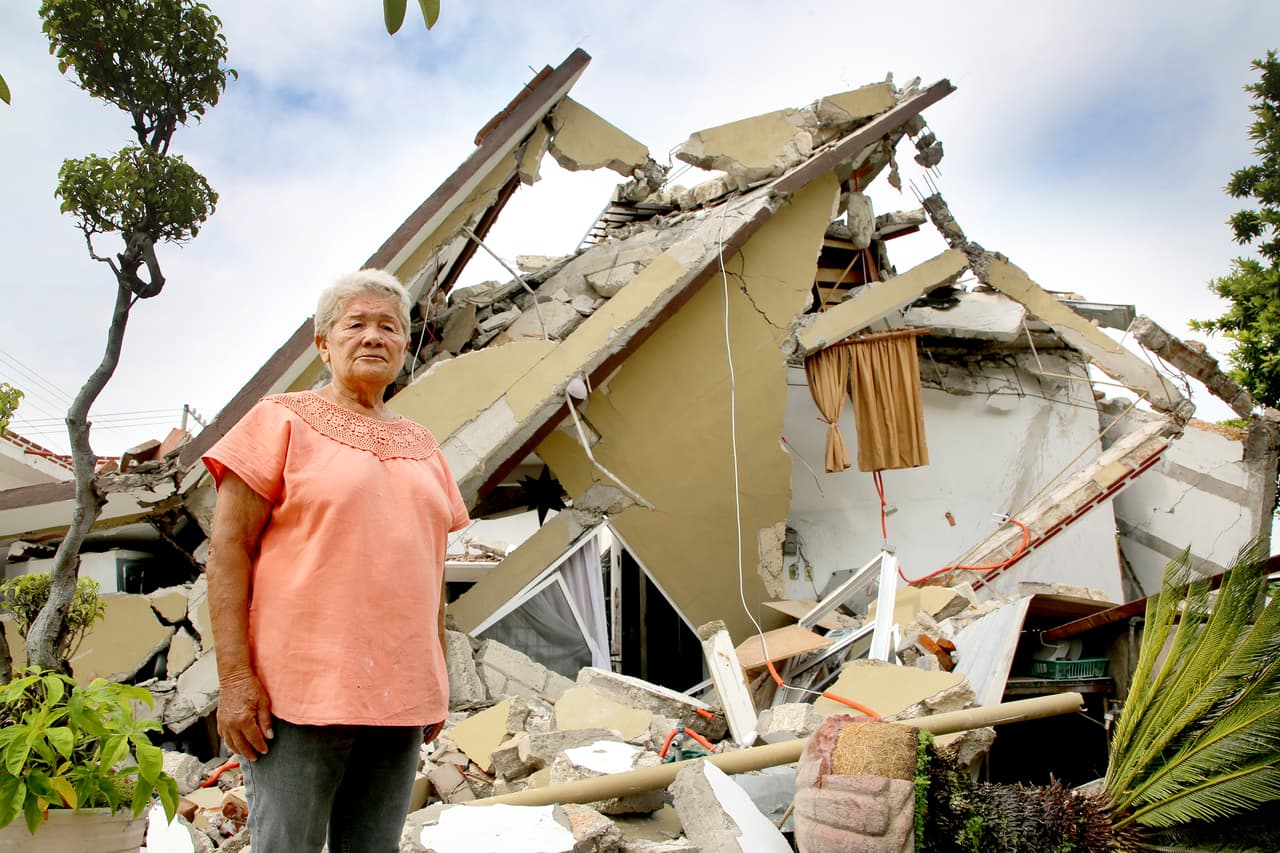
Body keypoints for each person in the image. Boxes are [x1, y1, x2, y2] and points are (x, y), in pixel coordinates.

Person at [202, 268, 469, 851]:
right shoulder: (280, 420)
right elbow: (227, 556)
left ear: (406, 345)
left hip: (400, 698)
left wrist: (437, 678)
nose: (374, 336)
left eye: (389, 326)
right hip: (297, 697)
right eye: (356, 325)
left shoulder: (425, 448)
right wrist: (236, 680)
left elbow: (433, 575)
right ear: (323, 344)